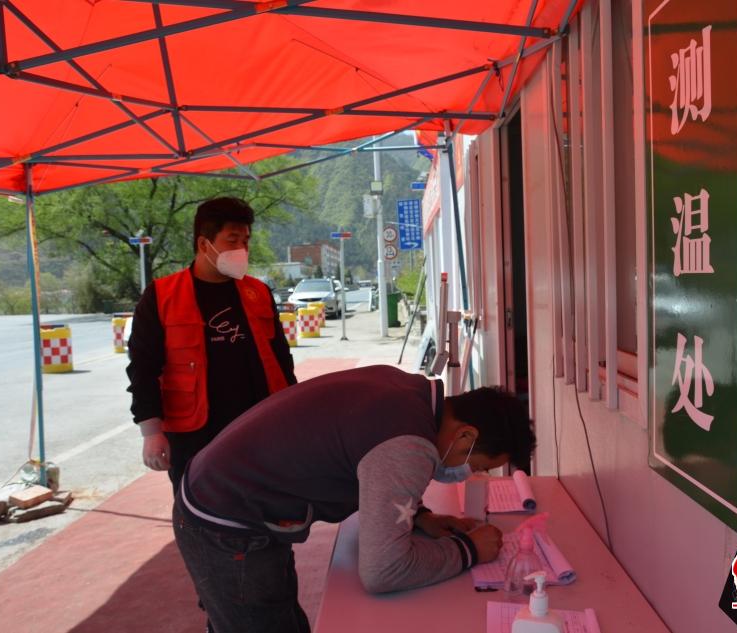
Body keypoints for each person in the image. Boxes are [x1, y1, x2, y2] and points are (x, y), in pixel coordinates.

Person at [172, 365, 536, 633]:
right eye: (477, 464)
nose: (468, 473)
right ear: (466, 435)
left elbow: (363, 457)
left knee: (275, 618)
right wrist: (469, 550)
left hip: (227, 492)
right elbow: (383, 571)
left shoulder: (407, 392)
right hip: (224, 520)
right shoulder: (409, 444)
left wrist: (420, 516)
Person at [126, 196, 297, 493]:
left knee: (266, 506)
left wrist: (295, 411)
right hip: (193, 433)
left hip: (260, 426)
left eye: (245, 240)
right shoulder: (161, 295)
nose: (242, 249)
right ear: (204, 244)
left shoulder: (258, 292)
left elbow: (281, 359)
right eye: (233, 239)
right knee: (199, 509)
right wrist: (151, 432)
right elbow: (143, 368)